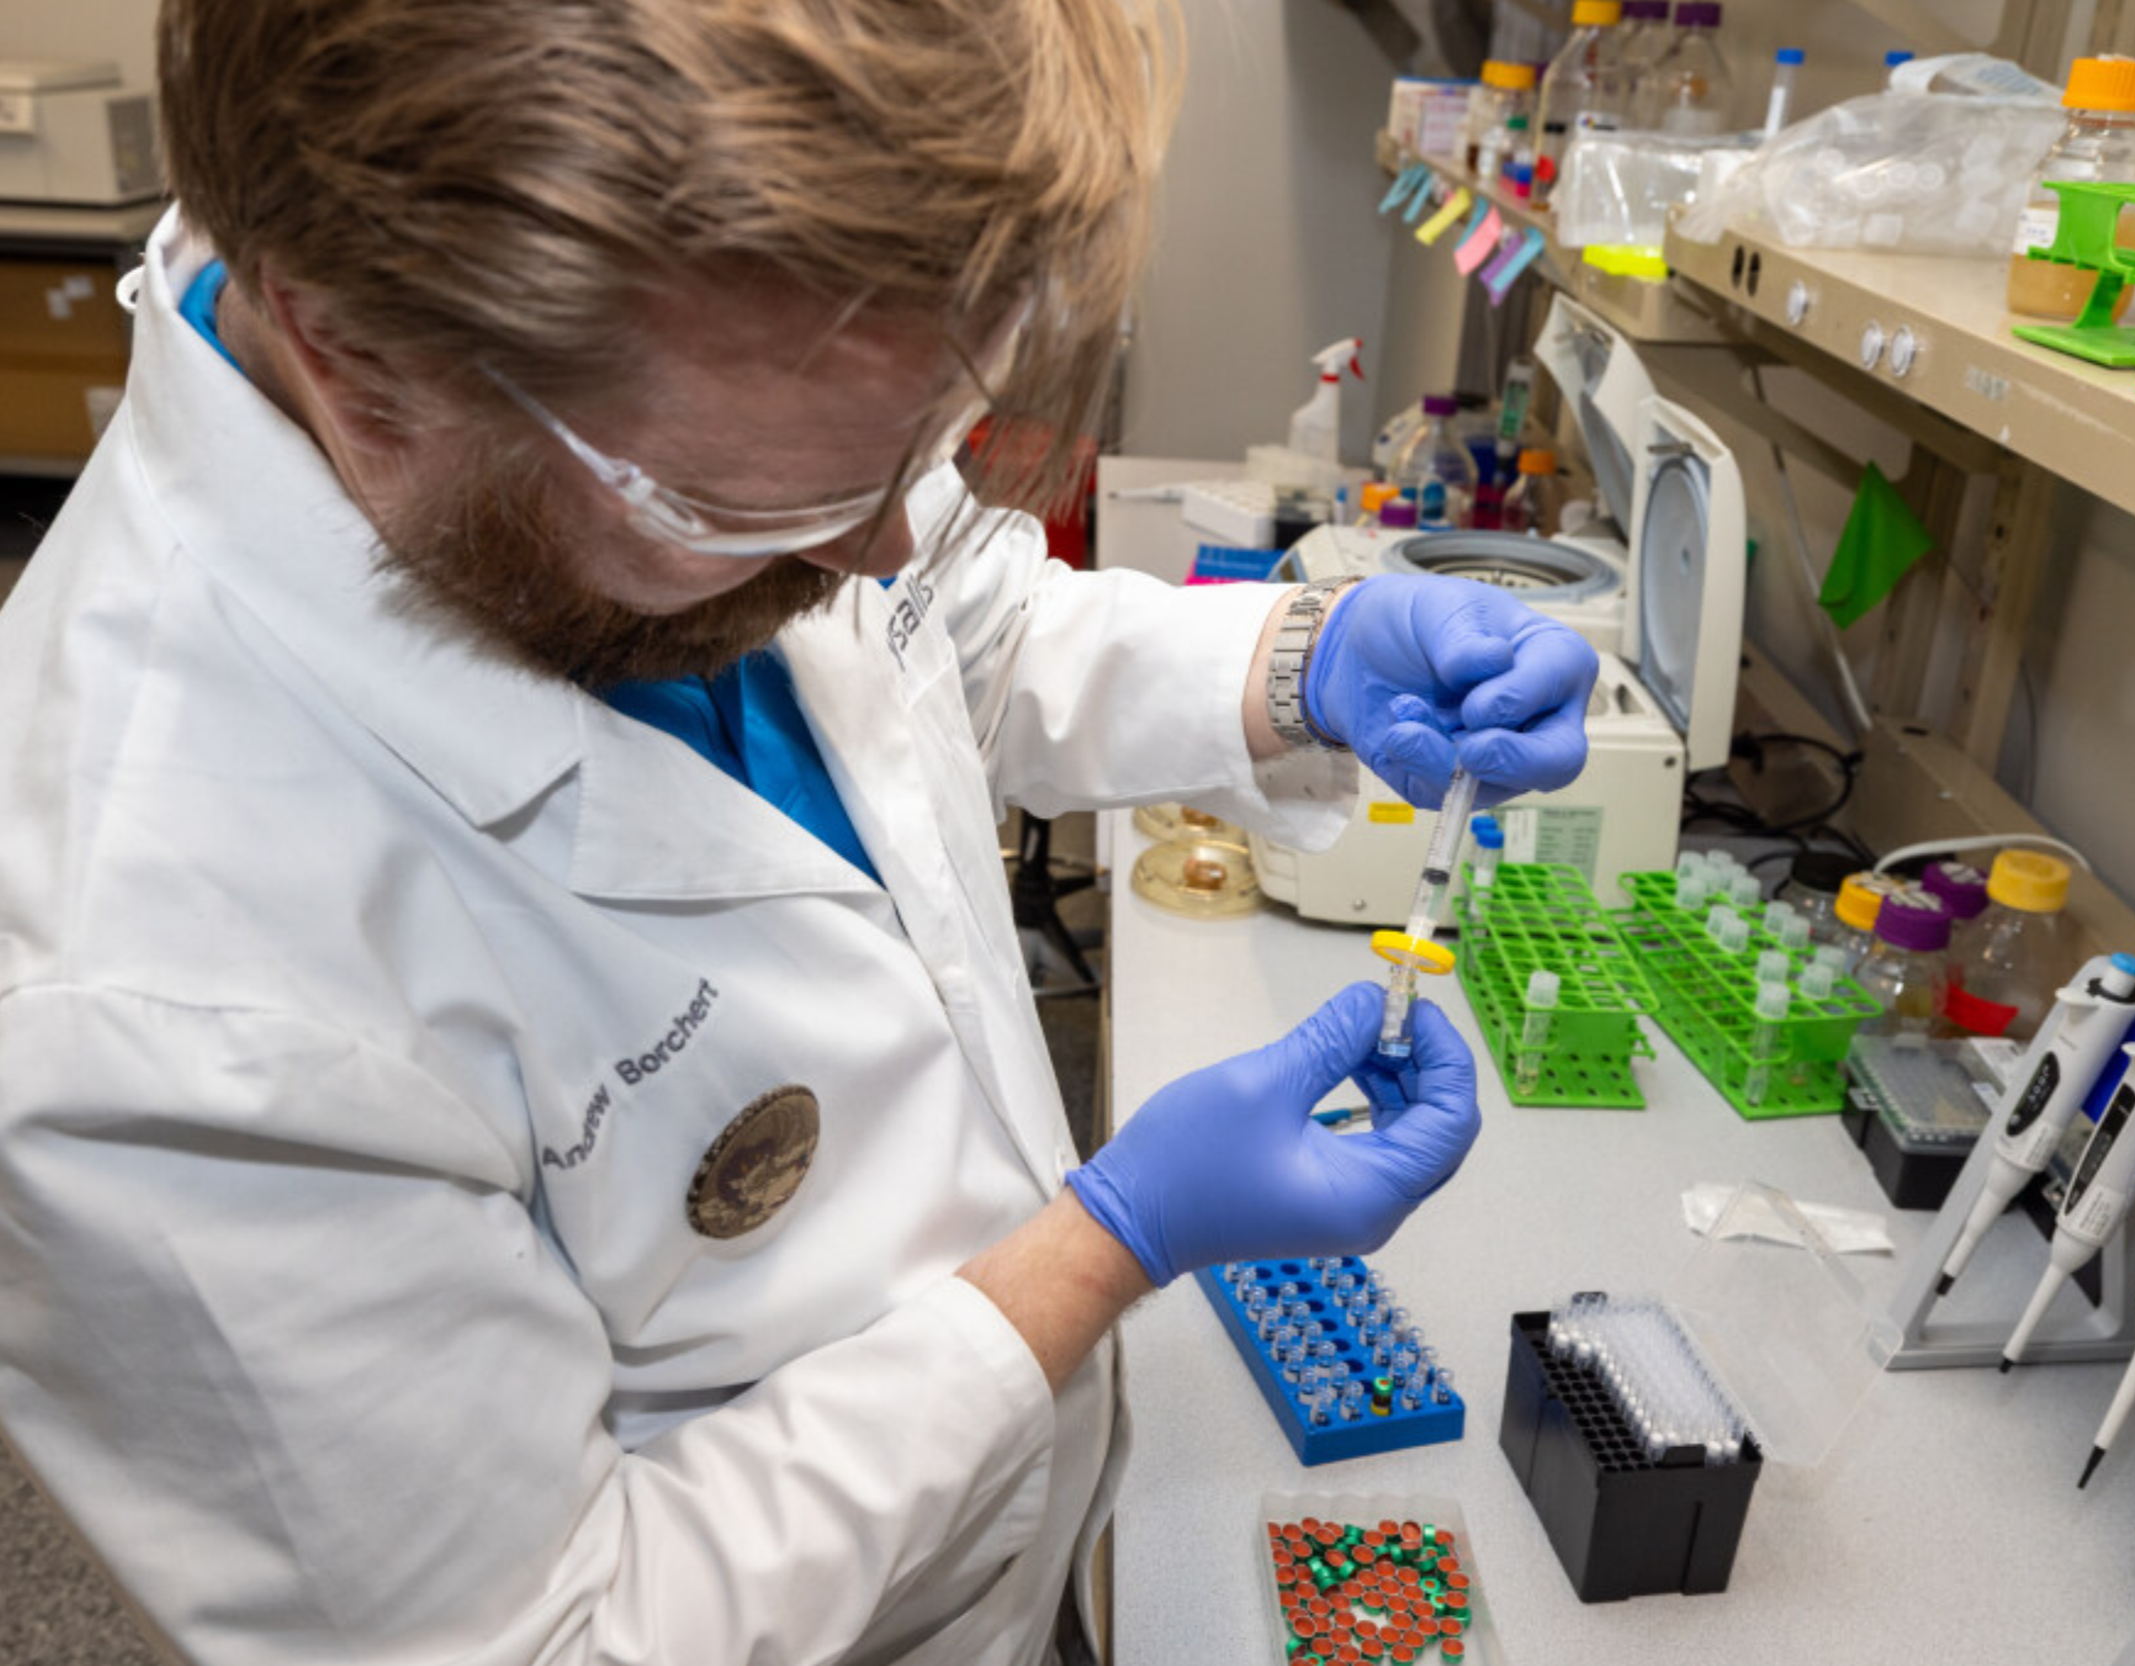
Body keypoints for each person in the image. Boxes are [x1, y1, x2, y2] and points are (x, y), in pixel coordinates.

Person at [0, 3, 1598, 1664]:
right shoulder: (147, 994)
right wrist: (1098, 1253)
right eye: (754, 508)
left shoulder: (666, 417)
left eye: (917, 449)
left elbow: (944, 622)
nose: (888, 541)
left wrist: (1300, 661)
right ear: (360, 365)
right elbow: (552, 1638)